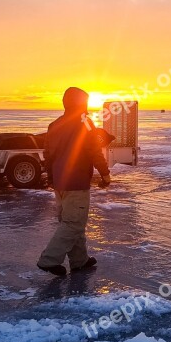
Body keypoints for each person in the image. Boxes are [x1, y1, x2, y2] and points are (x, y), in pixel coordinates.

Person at [37, 87, 111, 276]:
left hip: (60, 183)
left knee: (73, 220)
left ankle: (80, 260)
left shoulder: (54, 125)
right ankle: (49, 260)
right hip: (76, 181)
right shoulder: (85, 123)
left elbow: (48, 154)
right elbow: (94, 149)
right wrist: (105, 173)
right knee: (73, 223)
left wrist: (52, 178)